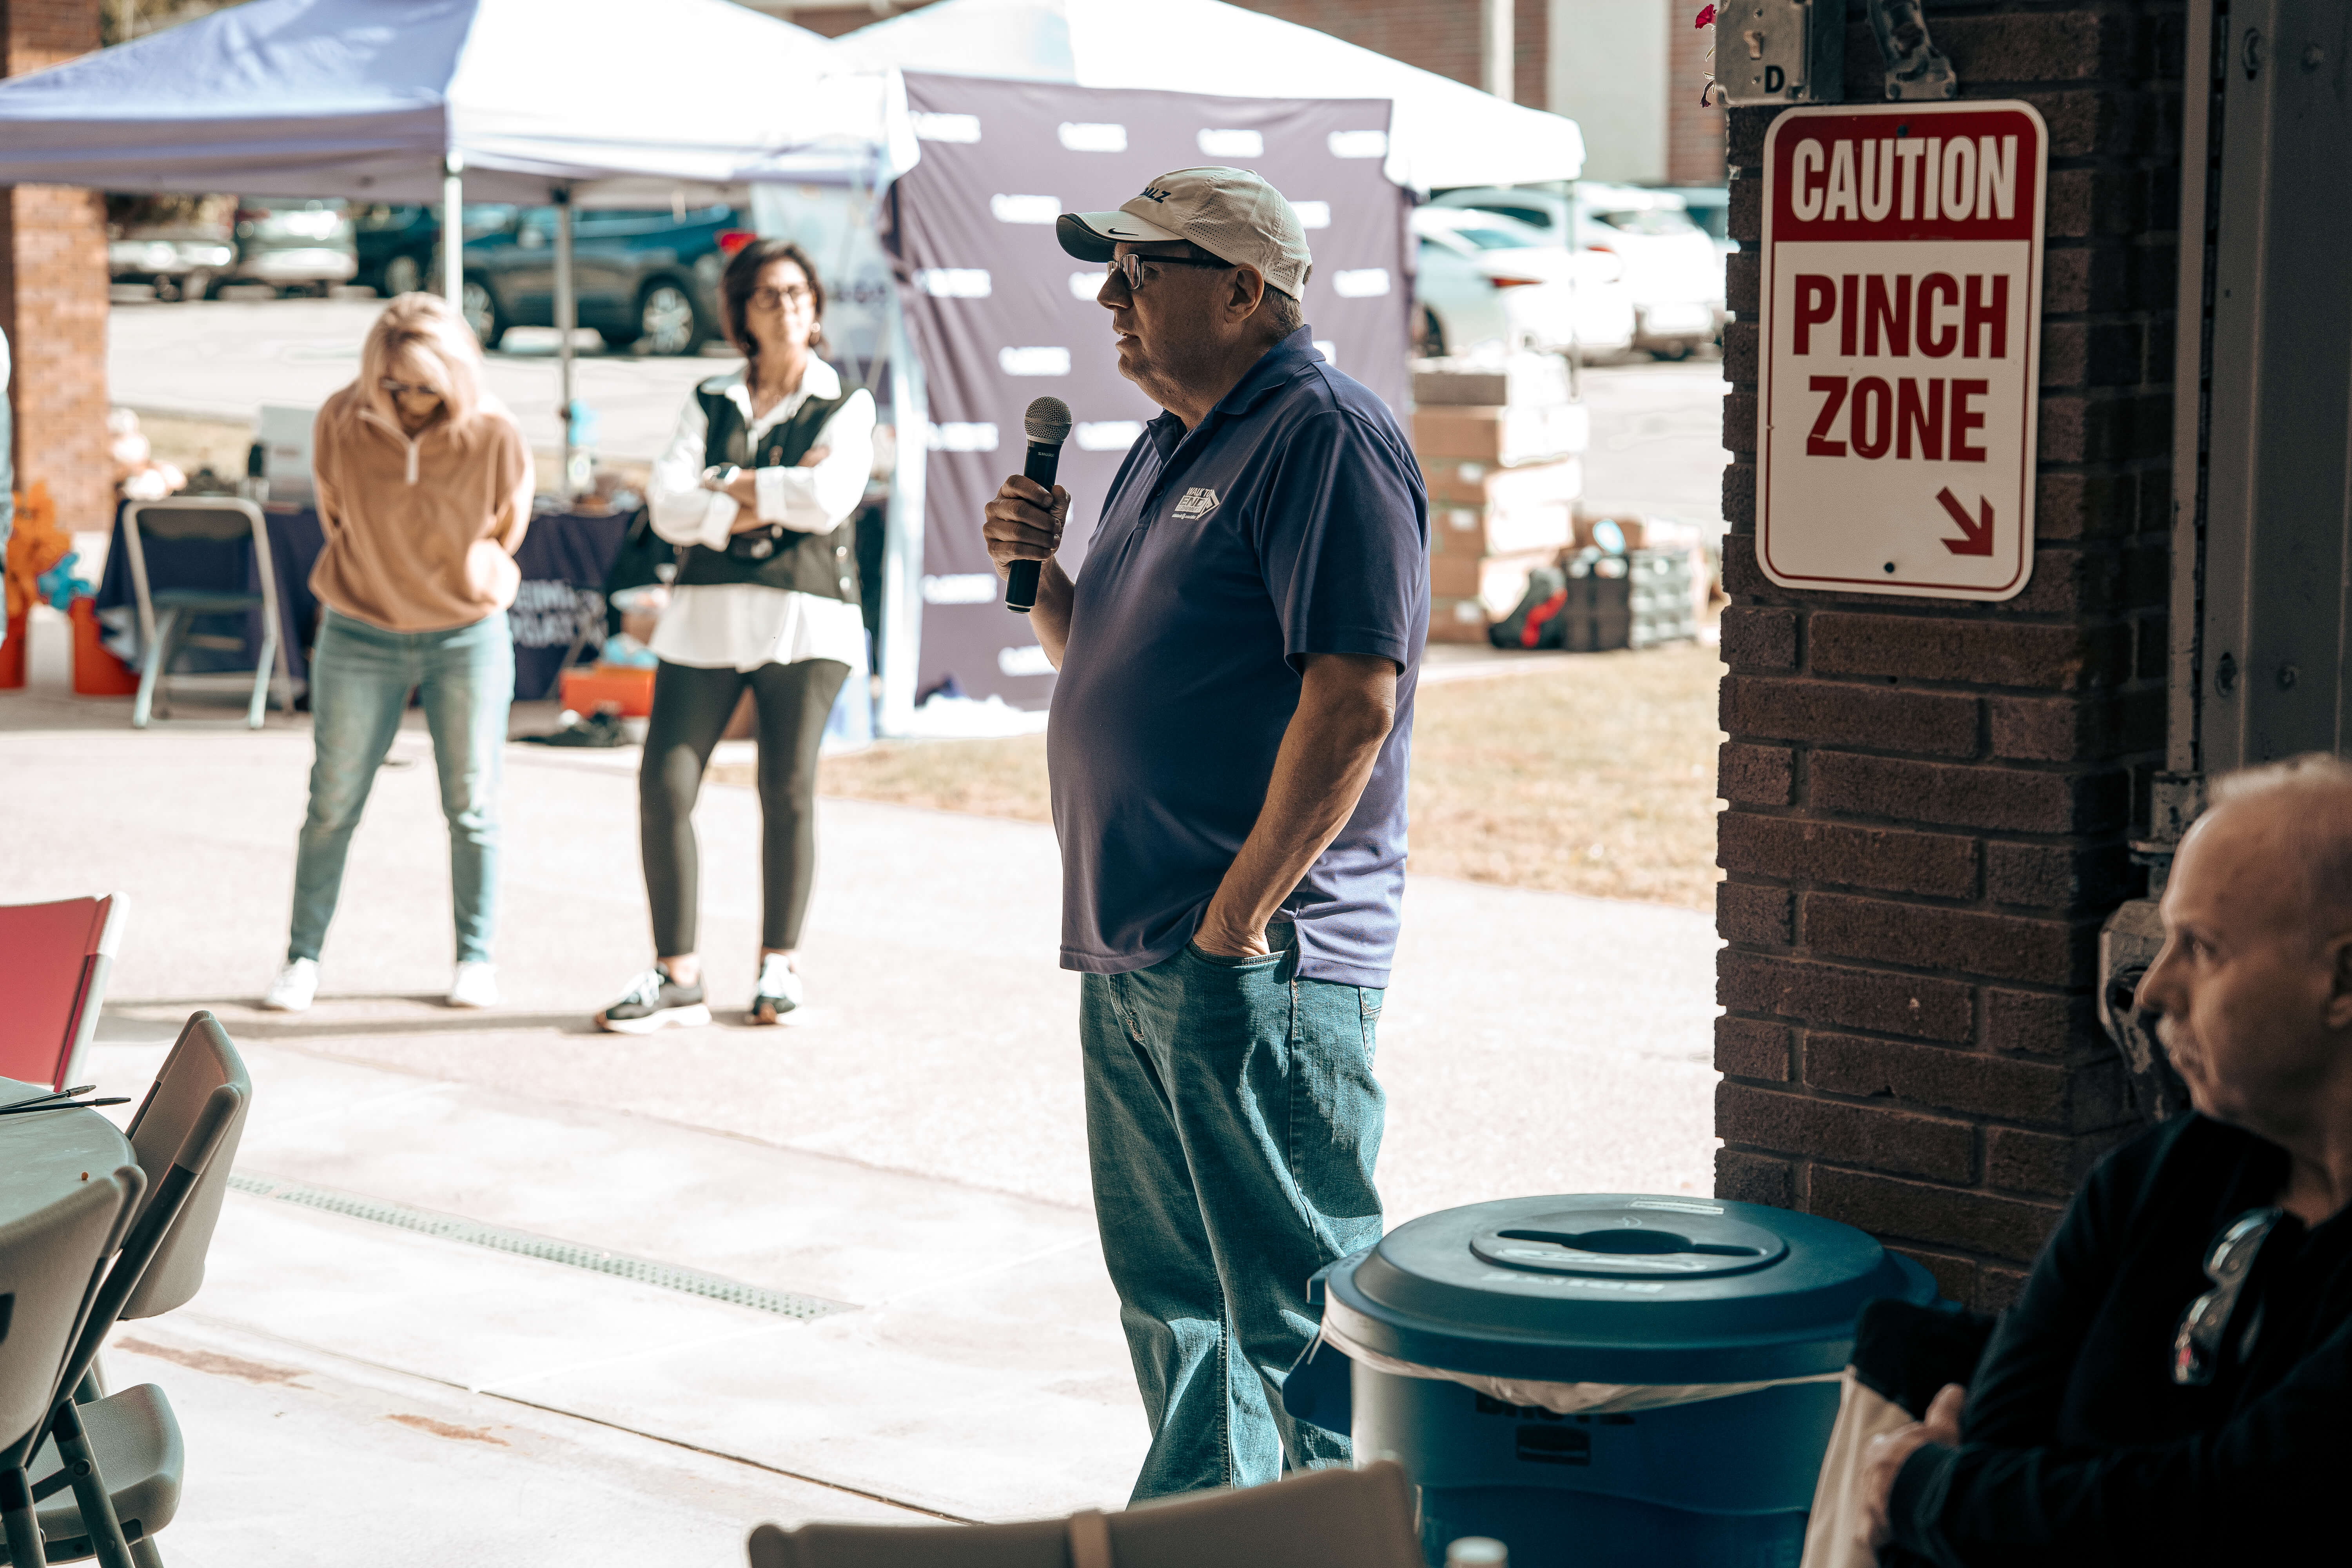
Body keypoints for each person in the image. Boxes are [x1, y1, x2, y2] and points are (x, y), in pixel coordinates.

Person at [983, 167, 1428, 1499]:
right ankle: (1203, 1534)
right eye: (1107, 272)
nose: (1111, 298)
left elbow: (1354, 698)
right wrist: (1052, 586)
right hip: (1136, 950)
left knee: (1299, 1317)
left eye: (1143, 269)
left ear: (1245, 290)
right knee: (1180, 1309)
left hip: (1257, 961)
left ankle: (1349, 1531)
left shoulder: (1321, 436)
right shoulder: (1169, 441)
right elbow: (1115, 663)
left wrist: (1239, 920)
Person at [1849, 753, 2352, 1565]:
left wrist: (1932, 1491)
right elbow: (2002, 1433)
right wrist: (2006, 1503)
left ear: (2343, 978)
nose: (2152, 989)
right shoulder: (2160, 1174)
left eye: (2202, 946)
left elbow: (2238, 1507)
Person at [593, 239, 874, 1033]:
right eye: (767, 295)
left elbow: (830, 499)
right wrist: (761, 494)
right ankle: (676, 973)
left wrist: (726, 487)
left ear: (815, 307)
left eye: (797, 293)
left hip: (806, 617)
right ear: (742, 312)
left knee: (786, 791)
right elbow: (666, 504)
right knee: (664, 785)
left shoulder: (846, 401)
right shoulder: (709, 397)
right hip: (706, 618)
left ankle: (778, 967)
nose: (786, 306)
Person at [261, 293, 533, 1013]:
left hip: (467, 633)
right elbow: (335, 509)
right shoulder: (341, 421)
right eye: (396, 386)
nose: (411, 401)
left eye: (425, 386)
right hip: (359, 627)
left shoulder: (496, 434)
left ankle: (476, 958)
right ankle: (302, 958)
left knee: (472, 803)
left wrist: (464, 578)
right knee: (333, 800)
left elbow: (508, 525)